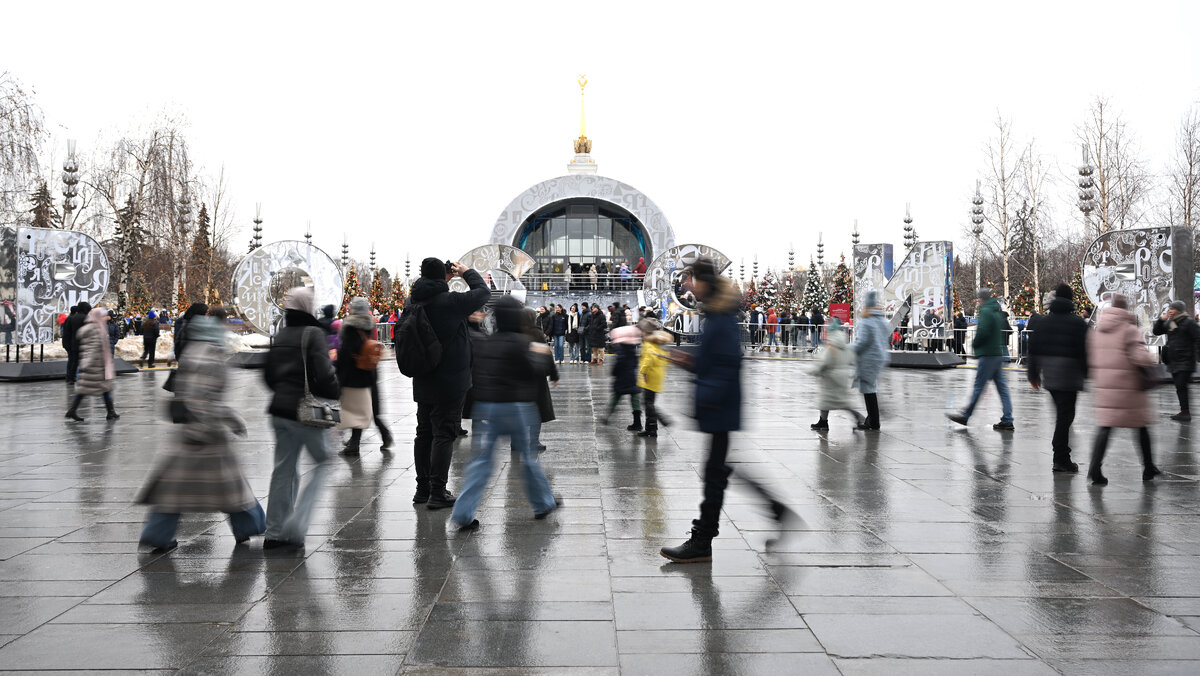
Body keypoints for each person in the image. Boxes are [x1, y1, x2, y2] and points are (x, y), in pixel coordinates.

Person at [661, 258, 792, 563]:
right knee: (720, 471)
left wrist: (706, 396)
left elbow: (728, 365)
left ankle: (702, 541)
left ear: (704, 281)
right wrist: (688, 360)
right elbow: (715, 361)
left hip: (719, 406)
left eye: (691, 279)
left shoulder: (721, 317)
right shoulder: (716, 313)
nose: (687, 284)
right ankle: (775, 511)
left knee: (715, 475)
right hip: (719, 405)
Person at [135, 313, 264, 552]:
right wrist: (230, 420)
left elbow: (188, 393)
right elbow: (205, 400)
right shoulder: (213, 359)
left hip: (188, 433)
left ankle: (157, 534)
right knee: (231, 485)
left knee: (172, 489)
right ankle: (250, 525)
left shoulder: (191, 355)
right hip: (208, 434)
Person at [450, 296, 560, 530]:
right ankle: (543, 502)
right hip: (516, 406)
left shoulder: (488, 342)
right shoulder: (521, 342)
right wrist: (541, 355)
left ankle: (462, 513)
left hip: (487, 406)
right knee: (527, 459)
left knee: (482, 462)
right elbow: (535, 370)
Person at [409, 258, 490, 508]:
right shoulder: (450, 302)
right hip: (451, 380)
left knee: (423, 432)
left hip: (423, 375)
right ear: (443, 275)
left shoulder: (413, 301)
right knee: (444, 433)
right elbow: (483, 292)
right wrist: (466, 272)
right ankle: (437, 492)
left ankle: (422, 489)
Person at [263, 287, 340, 549]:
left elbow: (268, 375)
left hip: (279, 411)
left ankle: (274, 533)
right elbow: (325, 374)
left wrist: (282, 392)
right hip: (305, 413)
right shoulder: (313, 333)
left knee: (283, 470)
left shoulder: (281, 334)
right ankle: (297, 525)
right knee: (324, 462)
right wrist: (335, 393)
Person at [1088, 295, 1161, 485]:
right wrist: (1151, 363)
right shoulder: (1129, 329)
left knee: (1105, 426)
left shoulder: (1098, 330)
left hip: (1105, 385)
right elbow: (1140, 356)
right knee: (1141, 426)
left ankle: (1094, 468)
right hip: (1128, 386)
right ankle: (1148, 467)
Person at [1027, 284, 1089, 473]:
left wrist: (1033, 375)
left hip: (1050, 374)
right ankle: (1061, 457)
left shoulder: (1044, 322)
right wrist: (1086, 372)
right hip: (1070, 374)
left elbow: (1033, 349)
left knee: (1063, 415)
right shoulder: (1078, 322)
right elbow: (1085, 351)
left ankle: (1061, 455)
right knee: (1065, 416)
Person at [947, 289, 1014, 430]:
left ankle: (965, 416)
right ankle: (1008, 418)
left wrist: (975, 344)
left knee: (979, 387)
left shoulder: (985, 311)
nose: (977, 301)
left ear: (982, 298)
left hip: (987, 354)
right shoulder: (996, 311)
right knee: (1002, 388)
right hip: (996, 354)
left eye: (978, 298)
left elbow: (982, 331)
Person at [337, 297, 392, 456]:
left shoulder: (349, 327)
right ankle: (385, 435)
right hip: (369, 372)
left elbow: (345, 354)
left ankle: (354, 444)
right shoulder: (370, 325)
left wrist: (338, 375)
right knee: (370, 410)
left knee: (356, 412)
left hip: (353, 376)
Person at [66, 307, 119, 421]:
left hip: (97, 365)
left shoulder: (94, 327)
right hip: (95, 366)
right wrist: (87, 363)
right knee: (95, 389)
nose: (105, 317)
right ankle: (110, 412)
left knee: (92, 389)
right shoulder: (95, 329)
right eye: (102, 315)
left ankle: (110, 411)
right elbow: (93, 348)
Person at [811, 317, 865, 430]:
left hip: (831, 378)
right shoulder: (844, 345)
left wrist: (812, 371)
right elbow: (851, 359)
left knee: (832, 401)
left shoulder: (831, 346)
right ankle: (823, 421)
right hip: (841, 377)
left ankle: (857, 417)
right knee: (834, 401)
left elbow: (824, 362)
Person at [1153, 299, 1200, 421]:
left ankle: (1185, 412)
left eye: (1172, 309)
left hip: (1186, 360)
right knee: (1180, 387)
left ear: (1179, 310)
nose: (1170, 311)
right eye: (1169, 309)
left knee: (1181, 385)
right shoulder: (1171, 322)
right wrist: (1161, 319)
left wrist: (1197, 356)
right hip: (1174, 360)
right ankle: (1184, 411)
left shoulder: (1189, 322)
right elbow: (1156, 331)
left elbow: (1198, 338)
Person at [851, 291, 890, 431]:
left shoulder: (866, 321)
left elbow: (862, 343)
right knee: (870, 389)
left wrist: (846, 348)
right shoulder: (883, 321)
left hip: (868, 359)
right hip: (879, 358)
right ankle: (872, 419)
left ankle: (873, 421)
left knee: (868, 390)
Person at [601, 323, 643, 431]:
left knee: (616, 396)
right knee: (635, 398)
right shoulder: (632, 349)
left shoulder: (622, 349)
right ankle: (637, 421)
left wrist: (614, 372)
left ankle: (607, 416)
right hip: (632, 376)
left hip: (622, 377)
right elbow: (636, 363)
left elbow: (619, 363)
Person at [636, 317, 672, 438]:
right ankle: (651, 429)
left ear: (646, 331)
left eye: (642, 330)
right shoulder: (657, 343)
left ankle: (660, 421)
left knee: (648, 403)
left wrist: (643, 372)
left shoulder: (648, 343)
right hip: (656, 375)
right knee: (648, 402)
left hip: (650, 376)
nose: (640, 332)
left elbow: (649, 359)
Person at [62, 302, 91, 383]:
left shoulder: (72, 318)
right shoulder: (87, 318)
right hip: (85, 343)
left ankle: (71, 377)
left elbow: (67, 332)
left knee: (74, 361)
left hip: (74, 343)